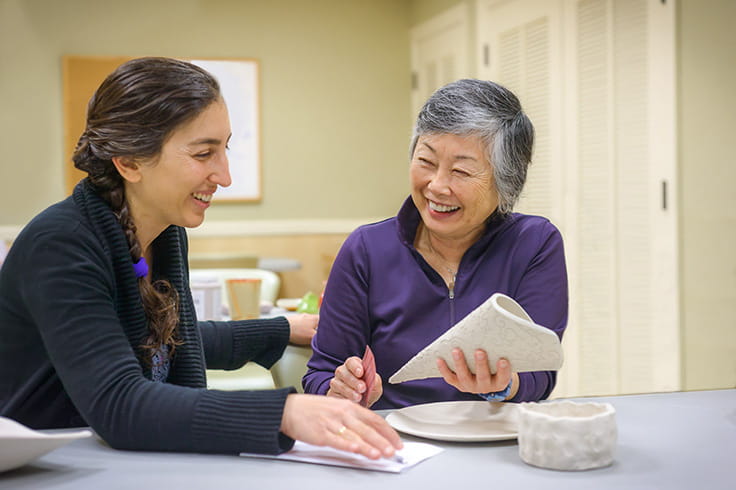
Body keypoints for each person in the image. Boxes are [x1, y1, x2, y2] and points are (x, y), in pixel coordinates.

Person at [0, 57, 402, 459]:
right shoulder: (61, 244)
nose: (224, 176)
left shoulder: (165, 231)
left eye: (224, 150)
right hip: (46, 469)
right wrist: (285, 412)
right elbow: (119, 404)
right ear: (129, 161)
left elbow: (171, 341)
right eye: (203, 154)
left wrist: (285, 329)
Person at [303, 79, 568, 409]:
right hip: (394, 444)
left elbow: (540, 374)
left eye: (461, 171)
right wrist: (338, 391)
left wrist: (504, 385)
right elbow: (321, 372)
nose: (437, 186)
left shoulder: (535, 244)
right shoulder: (366, 250)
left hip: (495, 440)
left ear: (506, 183)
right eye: (426, 162)